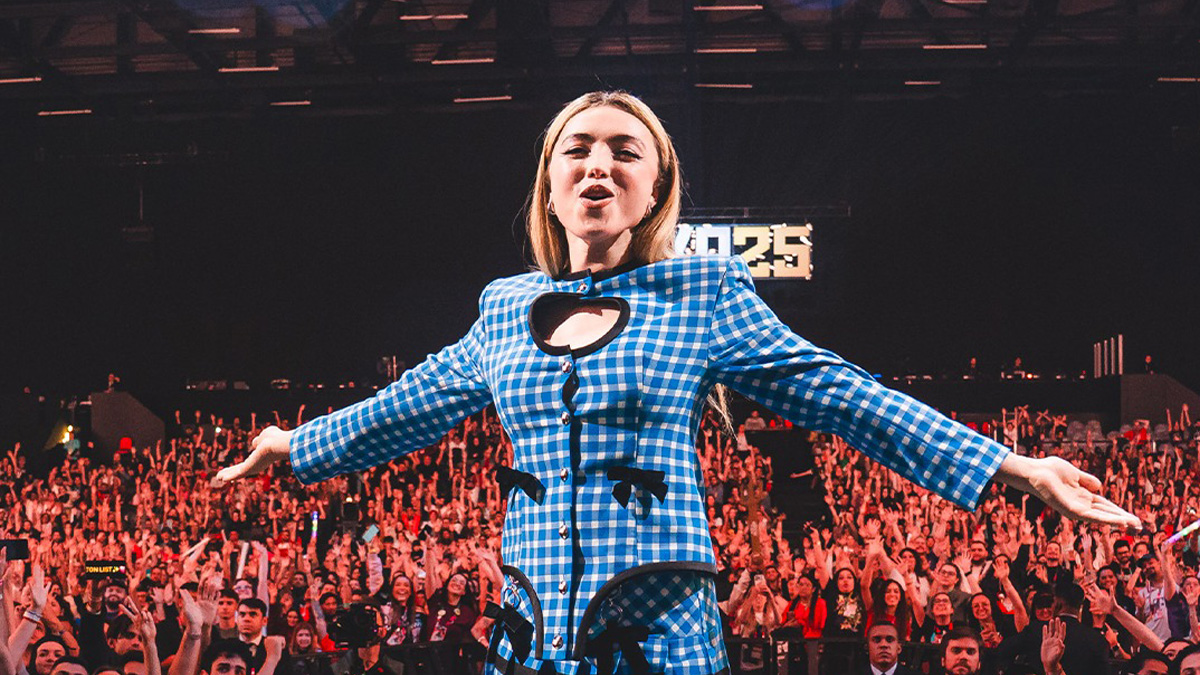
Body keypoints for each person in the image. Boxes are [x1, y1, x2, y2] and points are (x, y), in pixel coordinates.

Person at [213, 90, 1140, 675]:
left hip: (660, 630)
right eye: (578, 149)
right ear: (549, 184)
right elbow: (407, 406)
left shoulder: (702, 291)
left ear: (655, 188)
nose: (599, 164)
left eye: (625, 150)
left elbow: (838, 391)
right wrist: (293, 443)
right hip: (531, 632)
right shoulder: (503, 306)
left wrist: (1012, 465)